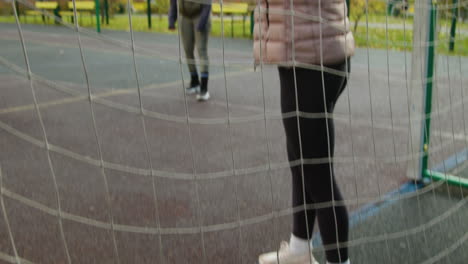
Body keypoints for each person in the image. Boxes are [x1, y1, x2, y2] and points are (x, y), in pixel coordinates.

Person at [253, 0, 354, 263]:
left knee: (318, 177)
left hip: (309, 60)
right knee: (303, 165)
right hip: (312, 53)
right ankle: (299, 249)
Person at [169, 0, 211, 101]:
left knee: (201, 50)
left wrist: (201, 24)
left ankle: (204, 88)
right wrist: (172, 19)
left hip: (200, 16)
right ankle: (195, 81)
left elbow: (207, 5)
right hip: (185, 17)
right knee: (187, 50)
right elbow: (173, 2)